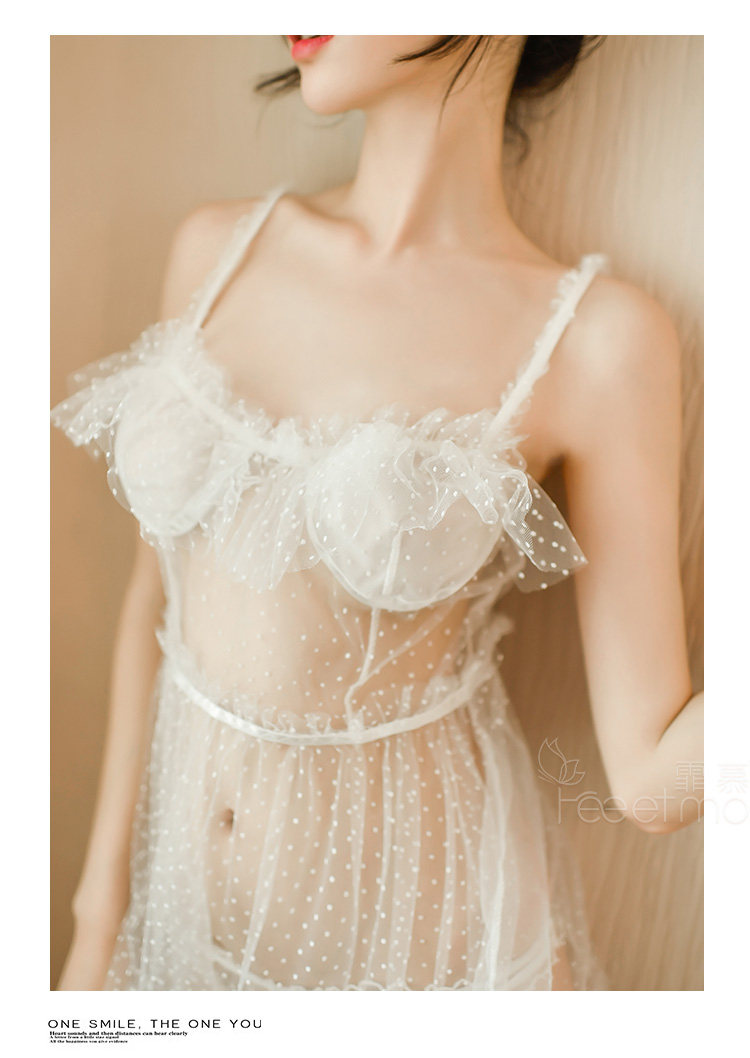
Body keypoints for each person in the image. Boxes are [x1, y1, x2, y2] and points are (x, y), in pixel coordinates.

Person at [52, 35, 703, 991]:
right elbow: (155, 603)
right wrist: (95, 925)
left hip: (419, 966)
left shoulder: (598, 342)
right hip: (180, 934)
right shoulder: (218, 249)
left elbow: (650, 781)